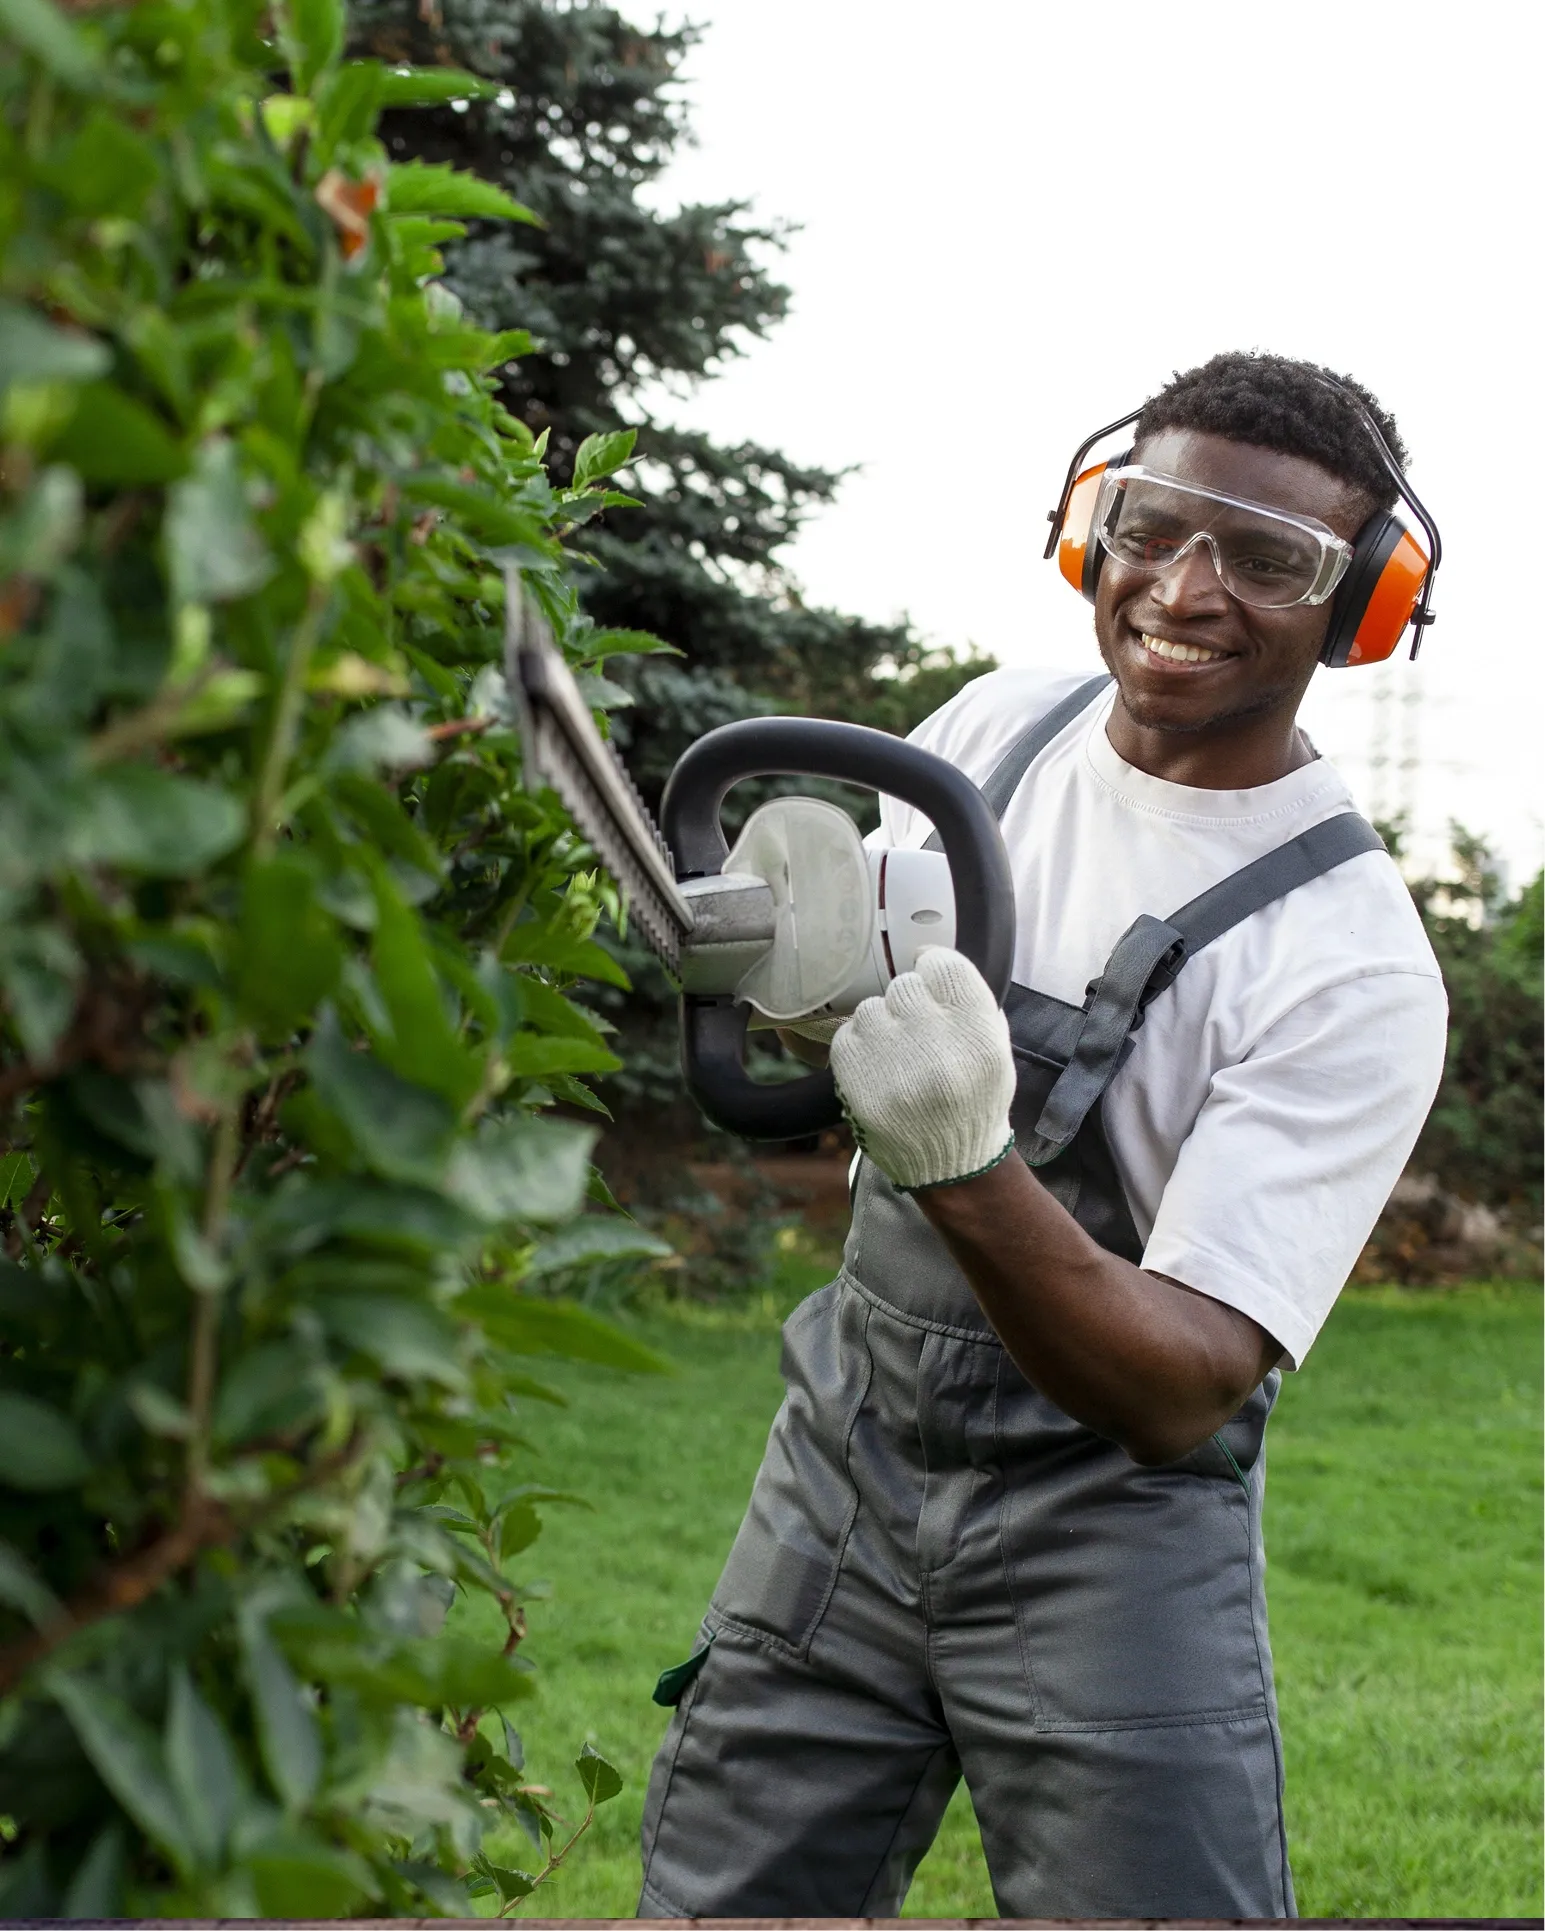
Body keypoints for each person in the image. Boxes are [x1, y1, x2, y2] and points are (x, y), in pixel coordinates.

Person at [636, 352, 1449, 1918]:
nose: (1184, 587)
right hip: (846, 1458)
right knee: (724, 1897)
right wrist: (776, 958)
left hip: (1105, 1535)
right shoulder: (994, 736)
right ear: (1094, 527)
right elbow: (859, 999)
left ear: (1358, 610)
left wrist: (967, 1159)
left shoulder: (1348, 961)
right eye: (1151, 525)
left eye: (1267, 558)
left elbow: (1180, 1386)